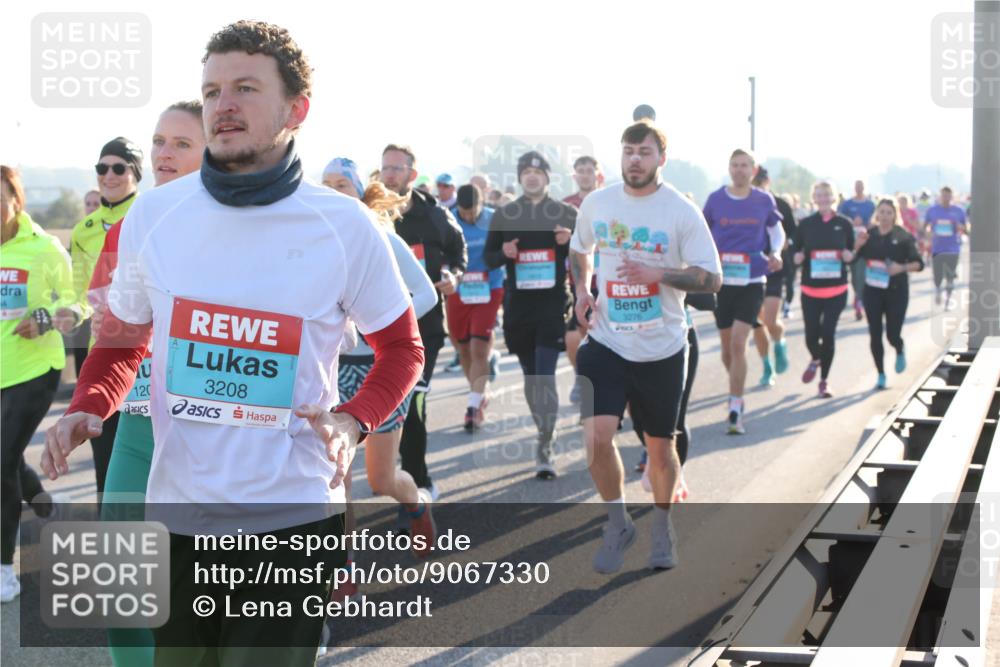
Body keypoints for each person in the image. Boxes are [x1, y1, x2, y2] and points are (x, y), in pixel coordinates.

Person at [42, 21, 424, 665]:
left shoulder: (343, 226)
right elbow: (125, 334)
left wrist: (353, 420)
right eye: (213, 89)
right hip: (179, 510)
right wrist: (92, 402)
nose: (224, 104)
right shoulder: (156, 215)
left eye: (246, 88)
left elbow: (403, 349)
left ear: (295, 109)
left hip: (292, 513)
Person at [81, 100, 206, 667]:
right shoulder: (134, 226)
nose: (162, 153)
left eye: (182, 143)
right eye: (159, 141)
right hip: (137, 424)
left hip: (218, 436)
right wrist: (85, 404)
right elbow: (115, 336)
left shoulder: (255, 230)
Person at [570, 119, 721, 573]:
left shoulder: (679, 211)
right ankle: (617, 523)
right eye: (629, 151)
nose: (635, 159)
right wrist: (581, 290)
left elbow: (712, 278)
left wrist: (659, 275)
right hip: (608, 339)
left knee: (660, 447)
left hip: (663, 347)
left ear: (661, 159)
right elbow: (580, 249)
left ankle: (661, 523)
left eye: (645, 152)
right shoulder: (598, 203)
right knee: (596, 436)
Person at [323, 156, 438, 563]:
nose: (332, 191)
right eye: (325, 184)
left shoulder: (383, 239)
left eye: (341, 184)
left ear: (358, 192)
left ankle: (417, 503)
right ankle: (344, 568)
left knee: (381, 478)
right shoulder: (312, 243)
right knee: (338, 474)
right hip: (333, 370)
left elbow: (427, 294)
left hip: (381, 366)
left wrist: (377, 320)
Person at [1, 166, 80, 603]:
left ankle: (3, 568)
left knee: (0, 459)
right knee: (4, 456)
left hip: (34, 370)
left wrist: (46, 318)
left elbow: (76, 300)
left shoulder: (44, 248)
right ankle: (38, 498)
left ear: (16, 200)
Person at [380, 144, 467, 503]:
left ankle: (418, 483)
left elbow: (458, 250)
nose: (389, 175)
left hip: (425, 327)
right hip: (379, 328)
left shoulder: (433, 216)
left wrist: (453, 275)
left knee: (413, 403)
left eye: (397, 168)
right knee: (386, 405)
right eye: (385, 168)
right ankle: (389, 472)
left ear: (412, 174)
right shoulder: (370, 212)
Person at [484, 151, 576, 479]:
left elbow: (586, 254)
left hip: (552, 307)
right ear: (521, 177)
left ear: (548, 177)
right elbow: (489, 257)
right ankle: (543, 427)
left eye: (538, 171)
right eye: (526, 172)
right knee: (531, 378)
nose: (532, 176)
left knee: (545, 377)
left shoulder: (565, 212)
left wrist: (570, 242)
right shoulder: (506, 214)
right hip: (518, 309)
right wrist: (503, 253)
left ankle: (545, 443)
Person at [69, 136, 144, 497]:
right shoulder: (84, 229)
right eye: (102, 168)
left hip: (145, 352)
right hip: (104, 344)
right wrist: (79, 310)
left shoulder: (148, 214)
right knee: (103, 447)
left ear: (135, 173)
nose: (108, 175)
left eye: (119, 167)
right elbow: (80, 291)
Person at [703, 149, 784, 434]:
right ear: (729, 168)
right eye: (734, 165)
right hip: (722, 282)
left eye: (744, 165)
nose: (739, 170)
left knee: (739, 342)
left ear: (753, 169)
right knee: (727, 349)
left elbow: (777, 231)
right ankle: (735, 385)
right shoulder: (715, 200)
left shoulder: (763, 200)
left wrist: (775, 252)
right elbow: (701, 233)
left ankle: (735, 404)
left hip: (752, 280)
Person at [444, 184, 505, 431]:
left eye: (473, 213)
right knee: (463, 349)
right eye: (464, 213)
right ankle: (478, 393)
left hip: (489, 288)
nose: (468, 217)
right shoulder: (448, 220)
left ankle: (472, 407)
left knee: (478, 347)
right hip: (458, 290)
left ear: (482, 205)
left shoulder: (493, 219)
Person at [792, 181, 855, 398]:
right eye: (819, 195)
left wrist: (849, 256)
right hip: (811, 290)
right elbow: (796, 250)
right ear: (814, 198)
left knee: (828, 334)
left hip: (836, 290)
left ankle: (824, 381)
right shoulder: (806, 224)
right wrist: (797, 257)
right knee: (811, 336)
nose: (823, 198)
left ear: (833, 197)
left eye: (827, 194)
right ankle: (816, 358)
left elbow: (851, 252)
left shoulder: (844, 224)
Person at [852, 199, 924, 389]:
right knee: (875, 334)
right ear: (877, 214)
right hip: (872, 292)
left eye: (888, 213)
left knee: (892, 334)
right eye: (881, 212)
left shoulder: (903, 236)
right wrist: (857, 245)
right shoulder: (869, 235)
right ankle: (881, 374)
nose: (884, 216)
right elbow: (852, 259)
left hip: (896, 292)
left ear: (895, 215)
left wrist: (901, 267)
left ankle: (899, 348)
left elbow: (919, 264)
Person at [562, 156, 603, 404]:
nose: (585, 175)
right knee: (573, 338)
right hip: (577, 283)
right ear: (574, 175)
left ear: (598, 175)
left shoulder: (609, 202)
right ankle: (583, 376)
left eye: (590, 170)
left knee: (600, 338)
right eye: (581, 171)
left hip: (606, 281)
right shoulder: (566, 206)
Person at [751, 166, 794, 386]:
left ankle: (779, 342)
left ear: (767, 181)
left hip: (774, 269)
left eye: (760, 181)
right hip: (749, 271)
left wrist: (777, 249)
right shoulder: (744, 204)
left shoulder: (781, 205)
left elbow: (792, 238)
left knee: (769, 319)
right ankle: (767, 365)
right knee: (755, 322)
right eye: (753, 181)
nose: (757, 186)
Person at [924, 185, 967, 310]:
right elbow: (925, 226)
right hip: (937, 248)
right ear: (940, 196)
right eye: (944, 195)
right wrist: (927, 232)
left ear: (952, 196)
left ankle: (948, 300)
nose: (946, 198)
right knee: (937, 275)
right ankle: (938, 290)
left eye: (948, 195)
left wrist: (961, 227)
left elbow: (966, 228)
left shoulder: (959, 211)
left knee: (950, 277)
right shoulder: (932, 210)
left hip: (953, 248)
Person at [838, 180, 875, 321]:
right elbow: (839, 219)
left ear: (864, 188)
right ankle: (857, 296)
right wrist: (851, 222)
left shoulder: (870, 205)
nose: (859, 188)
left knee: (863, 274)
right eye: (857, 186)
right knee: (854, 276)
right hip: (851, 244)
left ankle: (859, 301)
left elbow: (875, 222)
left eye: (861, 186)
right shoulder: (847, 204)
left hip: (866, 245)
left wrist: (867, 224)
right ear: (854, 188)